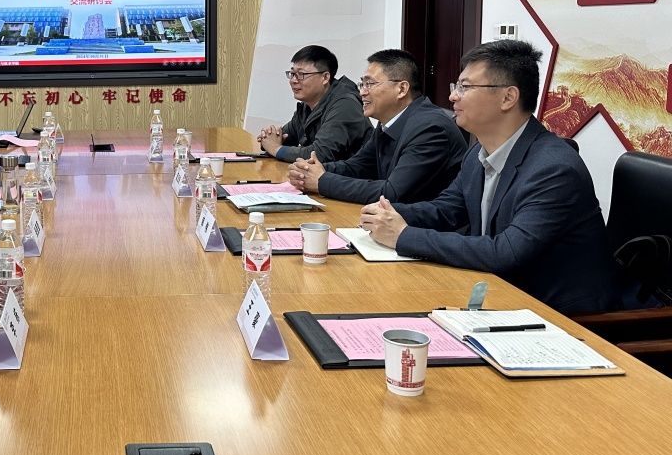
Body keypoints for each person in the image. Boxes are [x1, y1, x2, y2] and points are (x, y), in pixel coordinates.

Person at [359, 40, 637, 314]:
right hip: (500, 294)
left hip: (559, 316)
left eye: (465, 87)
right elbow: (447, 209)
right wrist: (387, 213)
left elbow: (506, 252)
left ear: (508, 97)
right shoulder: (478, 152)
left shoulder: (553, 169)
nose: (453, 97)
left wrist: (404, 235)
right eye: (457, 86)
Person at [287, 49, 467, 204]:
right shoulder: (388, 122)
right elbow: (359, 166)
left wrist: (322, 181)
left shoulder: (430, 128)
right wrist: (311, 170)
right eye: (362, 84)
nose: (362, 92)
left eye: (370, 84)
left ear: (402, 89)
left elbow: (393, 193)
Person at [257, 45, 371, 163]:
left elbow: (319, 155)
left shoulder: (346, 105)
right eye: (292, 74)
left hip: (352, 174)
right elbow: (283, 138)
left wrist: (275, 149)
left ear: (325, 77)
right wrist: (268, 139)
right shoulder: (307, 106)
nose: (293, 80)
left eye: (301, 74)